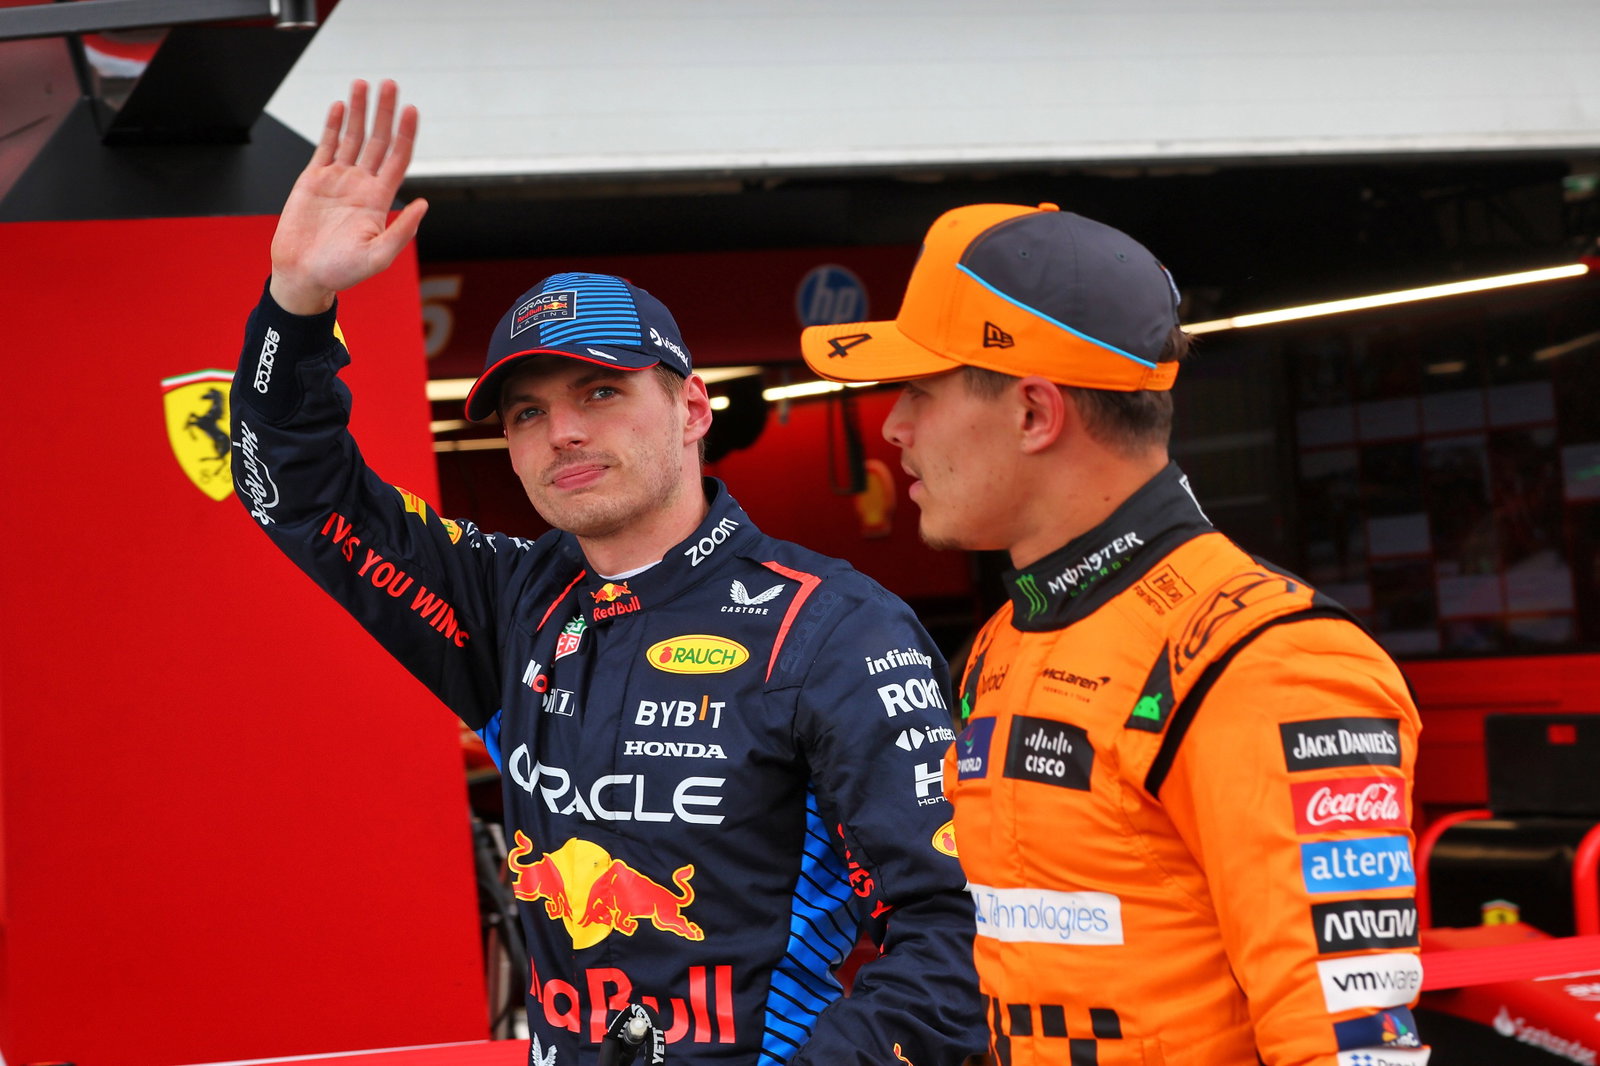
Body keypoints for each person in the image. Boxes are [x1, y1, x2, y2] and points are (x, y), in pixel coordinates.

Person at [233, 80, 986, 1066]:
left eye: (599, 392)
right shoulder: (510, 602)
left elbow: (953, 935)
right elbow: (294, 493)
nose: (563, 432)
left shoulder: (836, 630)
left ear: (692, 408)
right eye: (528, 413)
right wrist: (295, 303)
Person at [800, 203, 1428, 1066]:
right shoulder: (1003, 643)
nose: (894, 428)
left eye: (920, 391)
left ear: (1034, 413)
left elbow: (1353, 1045)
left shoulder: (1269, 660)